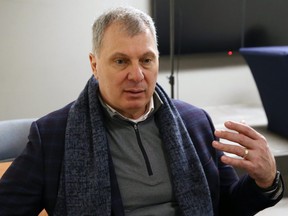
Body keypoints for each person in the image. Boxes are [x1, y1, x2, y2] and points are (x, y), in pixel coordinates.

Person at [0, 6, 284, 216]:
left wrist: (266, 180)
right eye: (121, 61)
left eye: (146, 60)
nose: (137, 75)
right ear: (94, 65)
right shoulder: (53, 134)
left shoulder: (195, 122)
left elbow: (227, 207)